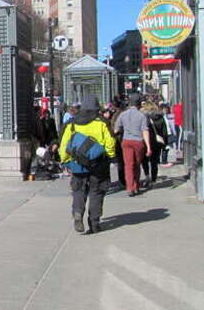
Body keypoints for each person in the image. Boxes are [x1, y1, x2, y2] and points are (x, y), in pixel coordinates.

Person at [59, 95, 116, 234]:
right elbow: (110, 142)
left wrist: (65, 160)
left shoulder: (72, 123)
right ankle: (94, 223)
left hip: (78, 164)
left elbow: (64, 145)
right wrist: (110, 156)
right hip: (98, 164)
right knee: (97, 192)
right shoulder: (102, 122)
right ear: (97, 108)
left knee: (78, 190)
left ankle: (78, 212)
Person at [114, 93, 152, 196]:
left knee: (128, 165)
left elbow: (116, 129)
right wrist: (148, 147)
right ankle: (136, 186)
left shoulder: (123, 114)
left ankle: (130, 187)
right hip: (138, 142)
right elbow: (145, 130)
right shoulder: (142, 115)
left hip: (126, 141)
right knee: (137, 164)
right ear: (139, 104)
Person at [142, 102, 168, 184]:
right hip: (157, 143)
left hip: (146, 142)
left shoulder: (144, 117)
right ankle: (153, 178)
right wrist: (165, 143)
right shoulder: (160, 117)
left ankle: (147, 176)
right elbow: (164, 132)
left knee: (144, 160)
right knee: (154, 162)